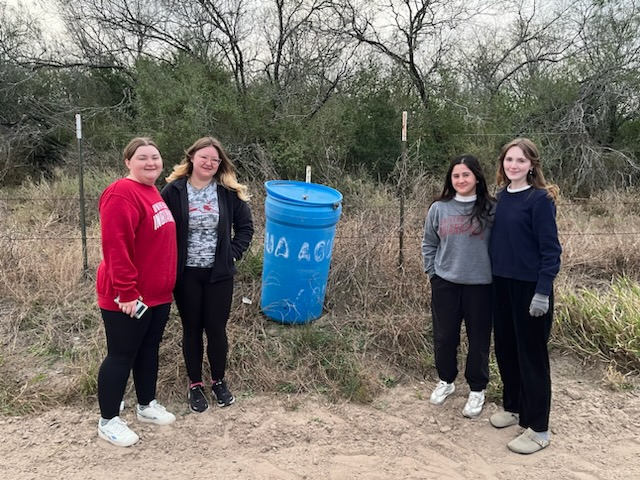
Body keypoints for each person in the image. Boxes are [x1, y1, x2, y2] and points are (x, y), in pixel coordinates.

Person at [161, 136, 254, 413]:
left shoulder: (227, 192)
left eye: (215, 160)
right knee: (192, 329)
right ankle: (195, 385)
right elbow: (161, 230)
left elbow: (246, 228)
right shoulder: (173, 191)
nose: (209, 163)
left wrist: (232, 253)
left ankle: (218, 381)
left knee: (216, 329)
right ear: (192, 158)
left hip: (219, 275)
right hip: (186, 274)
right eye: (204, 157)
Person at [96, 137, 178, 447]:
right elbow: (116, 247)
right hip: (128, 296)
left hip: (157, 294)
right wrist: (127, 292)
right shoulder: (121, 193)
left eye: (155, 157)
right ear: (127, 162)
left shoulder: (151, 191)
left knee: (148, 350)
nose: (150, 163)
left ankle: (146, 406)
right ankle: (108, 421)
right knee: (121, 355)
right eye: (142, 157)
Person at [489, 138, 562, 454]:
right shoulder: (501, 197)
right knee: (506, 349)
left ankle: (538, 429)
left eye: (520, 160)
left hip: (531, 289)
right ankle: (515, 406)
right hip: (500, 285)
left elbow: (551, 251)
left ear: (532, 165)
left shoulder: (540, 200)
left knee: (531, 357)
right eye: (509, 160)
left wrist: (542, 292)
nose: (513, 165)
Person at [421, 154, 495, 419]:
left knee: (479, 340)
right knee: (444, 337)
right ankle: (446, 380)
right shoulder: (439, 209)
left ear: (477, 177)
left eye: (466, 174)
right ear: (450, 179)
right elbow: (429, 244)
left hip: (481, 286)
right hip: (446, 284)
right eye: (456, 175)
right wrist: (433, 273)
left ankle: (477, 389)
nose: (461, 180)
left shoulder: (491, 208)